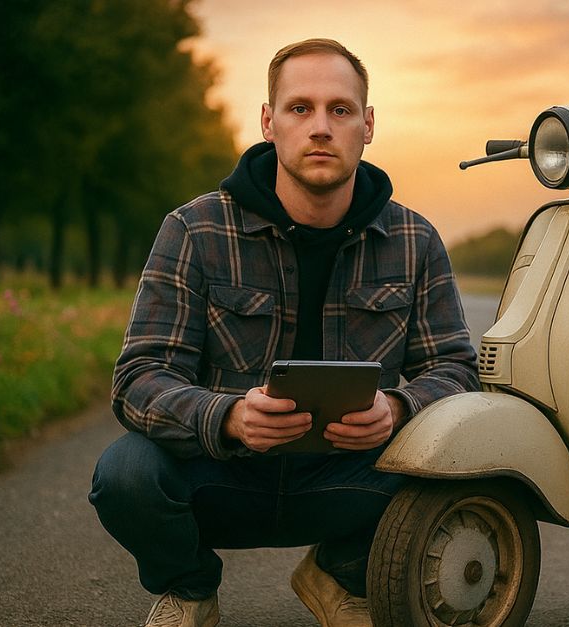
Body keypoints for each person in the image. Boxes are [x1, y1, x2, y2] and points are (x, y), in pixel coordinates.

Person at [89, 38, 479, 627]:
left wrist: (398, 408)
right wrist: (226, 416)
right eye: (300, 109)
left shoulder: (414, 241)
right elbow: (138, 379)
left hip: (349, 479)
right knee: (125, 474)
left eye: (339, 110)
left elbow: (455, 371)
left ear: (367, 125)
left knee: (469, 451)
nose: (320, 127)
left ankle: (341, 573)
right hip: (224, 474)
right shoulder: (194, 230)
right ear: (269, 122)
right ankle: (189, 589)